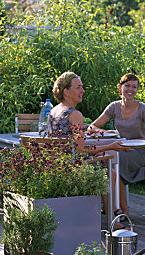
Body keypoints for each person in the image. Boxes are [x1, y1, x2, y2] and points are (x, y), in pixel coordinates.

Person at [48, 71, 130, 230]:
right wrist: (110, 147)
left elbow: (68, 141)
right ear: (66, 91)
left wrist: (89, 133)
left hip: (57, 167)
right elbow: (81, 150)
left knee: (102, 162)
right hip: (72, 168)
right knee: (110, 172)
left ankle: (109, 211)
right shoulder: (75, 114)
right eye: (78, 88)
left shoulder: (54, 111)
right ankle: (113, 221)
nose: (83, 91)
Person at [88, 73, 145, 219]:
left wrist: (134, 142)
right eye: (127, 86)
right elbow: (92, 127)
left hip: (138, 152)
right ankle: (117, 209)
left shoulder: (143, 108)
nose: (131, 90)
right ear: (120, 87)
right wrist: (102, 131)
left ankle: (118, 209)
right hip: (120, 150)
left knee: (112, 162)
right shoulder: (114, 107)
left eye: (134, 87)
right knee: (109, 161)